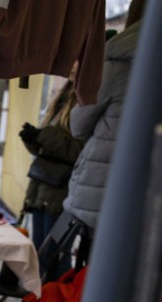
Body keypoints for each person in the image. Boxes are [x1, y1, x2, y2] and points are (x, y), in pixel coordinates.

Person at [62, 0, 144, 232]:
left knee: (94, 264)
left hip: (98, 187)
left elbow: (78, 126)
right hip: (144, 193)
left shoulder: (115, 67)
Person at [21, 66, 83, 249]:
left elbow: (78, 150)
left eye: (77, 61)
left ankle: (53, 279)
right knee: (41, 250)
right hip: (45, 186)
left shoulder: (85, 99)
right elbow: (49, 149)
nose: (71, 66)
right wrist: (33, 139)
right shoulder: (63, 98)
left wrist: (43, 136)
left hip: (62, 188)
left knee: (53, 253)